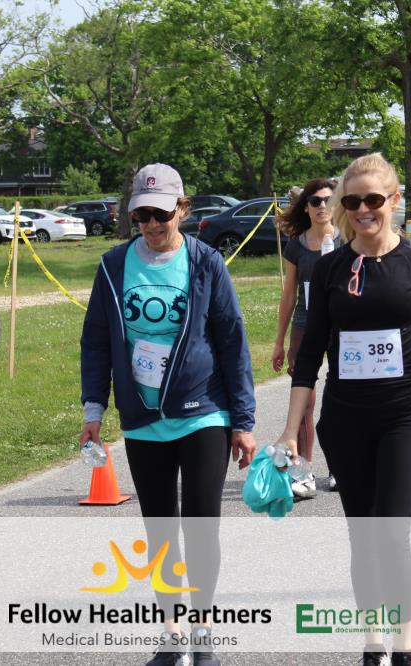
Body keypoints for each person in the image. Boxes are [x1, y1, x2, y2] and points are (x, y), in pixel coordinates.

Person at [277, 153, 411, 666]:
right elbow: (310, 355)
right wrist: (290, 430)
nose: (362, 210)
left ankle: (404, 645)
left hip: (408, 412)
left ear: (394, 201)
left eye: (373, 200)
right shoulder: (330, 268)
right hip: (347, 418)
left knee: (392, 532)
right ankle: (373, 641)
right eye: (352, 201)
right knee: (363, 535)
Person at [80, 163, 257, 666]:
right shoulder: (113, 266)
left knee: (201, 529)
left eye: (161, 213)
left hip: (203, 411)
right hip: (142, 416)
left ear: (182, 209)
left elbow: (232, 340)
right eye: (142, 216)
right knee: (159, 533)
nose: (153, 225)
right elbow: (96, 341)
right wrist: (94, 408)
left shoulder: (205, 262)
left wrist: (243, 421)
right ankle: (172, 633)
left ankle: (202, 633)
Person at [272, 178, 341, 497]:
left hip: (341, 327)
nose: (322, 206)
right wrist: (279, 341)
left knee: (342, 400)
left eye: (328, 200)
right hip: (305, 325)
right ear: (306, 208)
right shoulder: (297, 245)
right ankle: (303, 471)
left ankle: (340, 467)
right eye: (315, 201)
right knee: (303, 402)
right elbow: (289, 295)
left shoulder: (348, 239)